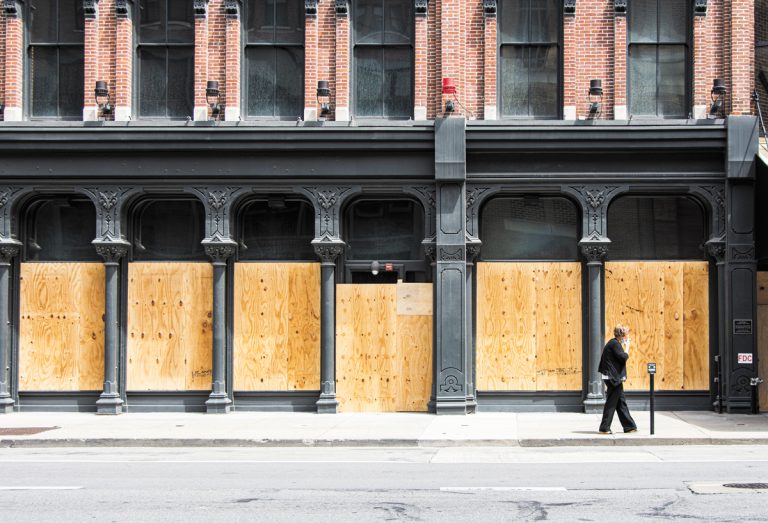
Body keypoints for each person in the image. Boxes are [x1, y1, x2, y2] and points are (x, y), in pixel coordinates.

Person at [597, 324, 637, 434]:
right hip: (613, 378)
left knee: (621, 402)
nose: (627, 337)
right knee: (611, 403)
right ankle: (604, 428)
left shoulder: (613, 343)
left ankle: (629, 426)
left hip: (613, 377)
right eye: (626, 335)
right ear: (622, 335)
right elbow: (623, 357)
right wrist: (627, 347)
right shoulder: (615, 344)